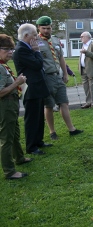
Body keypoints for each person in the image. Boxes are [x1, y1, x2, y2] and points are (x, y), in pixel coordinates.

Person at [36, 16, 83, 140]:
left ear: (52, 27)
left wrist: (65, 74)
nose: (46, 30)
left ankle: (71, 129)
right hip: (46, 78)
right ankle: (52, 132)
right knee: (49, 105)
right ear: (39, 28)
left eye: (49, 28)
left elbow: (61, 58)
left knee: (64, 102)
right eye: (44, 28)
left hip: (58, 76)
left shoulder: (56, 40)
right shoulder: (35, 41)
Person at [13, 23, 51, 155]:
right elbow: (37, 64)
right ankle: (31, 146)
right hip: (30, 88)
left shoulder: (27, 48)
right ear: (26, 35)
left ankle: (38, 141)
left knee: (39, 116)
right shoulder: (21, 49)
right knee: (32, 118)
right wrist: (37, 51)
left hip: (37, 87)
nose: (36, 37)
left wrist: (34, 51)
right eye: (34, 35)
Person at [0, 34, 32, 179]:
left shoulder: (4, 66)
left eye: (11, 49)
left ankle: (19, 157)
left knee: (15, 134)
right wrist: (17, 83)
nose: (11, 52)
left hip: (11, 104)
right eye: (6, 49)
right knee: (7, 138)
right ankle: (9, 171)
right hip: (5, 105)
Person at [78, 31, 93, 109]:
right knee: (86, 87)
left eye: (82, 36)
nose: (81, 38)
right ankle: (88, 102)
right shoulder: (83, 45)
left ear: (87, 37)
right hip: (83, 69)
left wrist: (86, 52)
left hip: (92, 70)